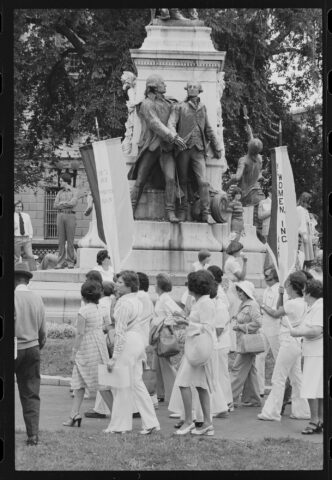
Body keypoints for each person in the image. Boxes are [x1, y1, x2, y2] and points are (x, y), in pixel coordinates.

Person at [105, 271, 160, 434]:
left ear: (129, 286)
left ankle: (119, 425)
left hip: (128, 342)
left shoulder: (124, 303)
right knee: (136, 383)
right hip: (137, 341)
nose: (117, 284)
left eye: (120, 282)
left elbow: (120, 332)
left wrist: (114, 358)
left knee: (122, 384)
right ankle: (151, 422)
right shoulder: (136, 300)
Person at [128, 74, 187, 222]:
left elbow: (178, 113)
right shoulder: (147, 104)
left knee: (171, 179)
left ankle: (170, 212)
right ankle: (130, 210)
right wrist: (173, 137)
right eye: (162, 83)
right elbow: (155, 123)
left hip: (165, 148)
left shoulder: (169, 103)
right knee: (140, 180)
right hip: (151, 146)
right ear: (154, 87)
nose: (165, 86)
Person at [171, 270, 219, 436]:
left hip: (200, 348)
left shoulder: (206, 303)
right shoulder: (200, 301)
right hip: (195, 347)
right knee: (200, 385)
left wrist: (186, 322)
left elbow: (208, 326)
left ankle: (188, 421)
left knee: (184, 382)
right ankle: (207, 423)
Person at [258, 271, 310, 421]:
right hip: (296, 343)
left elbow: (275, 313)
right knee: (296, 378)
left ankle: (271, 412)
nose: (285, 288)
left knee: (278, 377)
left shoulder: (293, 303)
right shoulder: (302, 302)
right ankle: (302, 411)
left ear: (292, 286)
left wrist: (261, 304)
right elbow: (280, 309)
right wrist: (281, 295)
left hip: (289, 342)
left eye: (287, 285)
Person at [167, 80, 222, 223]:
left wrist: (216, 147)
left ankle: (206, 213)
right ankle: (183, 211)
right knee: (183, 180)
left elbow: (208, 128)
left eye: (194, 87)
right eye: (189, 87)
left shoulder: (203, 107)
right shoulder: (179, 106)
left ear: (200, 90)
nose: (192, 89)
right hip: (183, 148)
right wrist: (175, 137)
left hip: (199, 149)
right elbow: (171, 124)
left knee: (203, 182)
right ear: (186, 89)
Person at [63, 280, 114, 428]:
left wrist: (74, 352)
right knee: (80, 383)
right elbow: (108, 327)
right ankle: (74, 414)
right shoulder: (102, 308)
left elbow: (80, 333)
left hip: (86, 348)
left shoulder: (84, 311)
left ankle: (117, 416)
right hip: (99, 345)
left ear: (83, 295)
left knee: (101, 384)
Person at [15, 262, 47, 446]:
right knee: (31, 392)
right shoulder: (37, 298)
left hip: (14, 347)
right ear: (27, 280)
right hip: (33, 347)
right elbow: (43, 331)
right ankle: (33, 435)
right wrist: (37, 345)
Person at [289, 279, 323, 434]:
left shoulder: (319, 307)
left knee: (311, 388)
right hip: (314, 351)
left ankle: (314, 420)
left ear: (309, 292)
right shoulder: (314, 306)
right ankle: (320, 419)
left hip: (316, 353)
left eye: (304, 291)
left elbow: (316, 330)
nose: (302, 293)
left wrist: (298, 332)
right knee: (318, 388)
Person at [84, 281, 116, 419]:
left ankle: (111, 411)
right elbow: (109, 326)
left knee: (102, 380)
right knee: (104, 378)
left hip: (96, 343)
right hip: (104, 343)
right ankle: (108, 410)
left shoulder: (90, 308)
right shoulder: (106, 305)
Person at [229, 281, 263, 408]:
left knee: (237, 369)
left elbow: (258, 322)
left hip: (247, 342)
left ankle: (229, 398)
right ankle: (253, 399)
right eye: (238, 291)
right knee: (250, 371)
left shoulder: (252, 304)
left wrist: (241, 327)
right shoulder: (244, 304)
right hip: (245, 342)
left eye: (241, 291)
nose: (239, 293)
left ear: (246, 292)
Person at [150, 273, 178, 403]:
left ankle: (173, 392)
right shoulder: (163, 298)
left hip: (161, 333)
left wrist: (166, 323)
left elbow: (176, 314)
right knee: (158, 364)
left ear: (160, 286)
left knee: (164, 364)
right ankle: (160, 392)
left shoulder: (165, 299)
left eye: (156, 284)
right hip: (159, 333)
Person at [207, 266, 233, 407]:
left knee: (222, 372)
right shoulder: (216, 292)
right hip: (218, 338)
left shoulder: (220, 295)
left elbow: (221, 319)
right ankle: (221, 402)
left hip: (221, 339)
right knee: (218, 373)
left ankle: (227, 402)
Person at [255, 267, 280, 397]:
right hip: (264, 327)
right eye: (265, 275)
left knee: (279, 358)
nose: (265, 278)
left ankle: (281, 389)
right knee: (259, 357)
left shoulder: (278, 290)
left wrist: (262, 304)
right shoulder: (266, 290)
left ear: (274, 277)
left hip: (276, 329)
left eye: (267, 276)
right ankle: (259, 389)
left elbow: (275, 313)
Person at [224, 240, 248, 351]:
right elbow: (242, 277)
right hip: (233, 289)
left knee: (234, 317)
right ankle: (231, 345)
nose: (241, 252)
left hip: (233, 288)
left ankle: (232, 345)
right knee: (233, 317)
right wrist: (245, 262)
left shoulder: (232, 261)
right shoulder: (232, 262)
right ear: (236, 250)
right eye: (240, 250)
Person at [53, 172, 78, 269]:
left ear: (66, 181)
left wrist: (62, 203)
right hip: (60, 215)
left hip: (70, 216)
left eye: (61, 181)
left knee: (70, 241)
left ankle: (70, 261)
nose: (60, 183)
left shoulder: (74, 191)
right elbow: (55, 205)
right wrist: (65, 203)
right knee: (61, 241)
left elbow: (73, 203)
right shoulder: (59, 192)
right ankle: (60, 262)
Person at [297, 192, 315, 268]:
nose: (309, 205)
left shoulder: (305, 210)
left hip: (307, 234)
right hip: (303, 235)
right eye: (308, 202)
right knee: (303, 256)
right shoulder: (299, 209)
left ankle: (306, 271)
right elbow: (300, 223)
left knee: (307, 257)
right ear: (304, 201)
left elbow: (308, 223)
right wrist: (303, 234)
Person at [14, 200, 34, 265]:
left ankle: (32, 272)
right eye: (17, 206)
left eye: (20, 206)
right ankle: (17, 273)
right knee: (17, 257)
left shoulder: (26, 216)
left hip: (26, 238)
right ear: (14, 207)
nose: (19, 208)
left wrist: (30, 237)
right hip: (16, 238)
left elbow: (30, 226)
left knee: (30, 256)